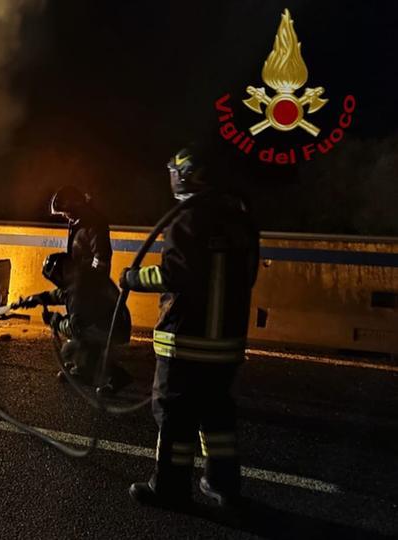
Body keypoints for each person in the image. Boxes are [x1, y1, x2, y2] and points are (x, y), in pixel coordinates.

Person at [120, 146, 260, 509]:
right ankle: (223, 485)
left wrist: (133, 277)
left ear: (184, 176)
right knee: (218, 417)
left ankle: (169, 487)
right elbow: (249, 276)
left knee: (175, 418)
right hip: (226, 343)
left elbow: (173, 274)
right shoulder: (240, 219)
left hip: (184, 340)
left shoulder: (187, 219)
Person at [20, 186, 132, 392]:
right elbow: (62, 294)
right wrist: (35, 299)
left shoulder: (94, 224)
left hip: (99, 304)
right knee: (81, 340)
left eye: (66, 212)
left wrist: (56, 321)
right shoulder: (78, 223)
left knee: (78, 339)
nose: (66, 217)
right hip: (85, 289)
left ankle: (116, 376)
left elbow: (101, 259)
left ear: (77, 206)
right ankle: (84, 370)